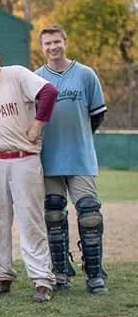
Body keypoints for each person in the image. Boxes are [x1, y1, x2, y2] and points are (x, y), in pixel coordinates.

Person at [0, 38, 58, 303]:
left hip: (23, 158)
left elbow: (49, 92)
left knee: (31, 220)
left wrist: (38, 124)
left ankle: (42, 279)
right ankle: (2, 274)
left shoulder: (16, 74)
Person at [35, 25, 109, 294]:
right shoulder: (36, 79)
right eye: (47, 43)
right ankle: (60, 272)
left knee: (90, 215)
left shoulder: (86, 74)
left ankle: (94, 273)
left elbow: (97, 115)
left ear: (65, 42)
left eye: (57, 41)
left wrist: (80, 136)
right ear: (42, 47)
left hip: (80, 157)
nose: (53, 47)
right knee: (54, 214)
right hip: (49, 159)